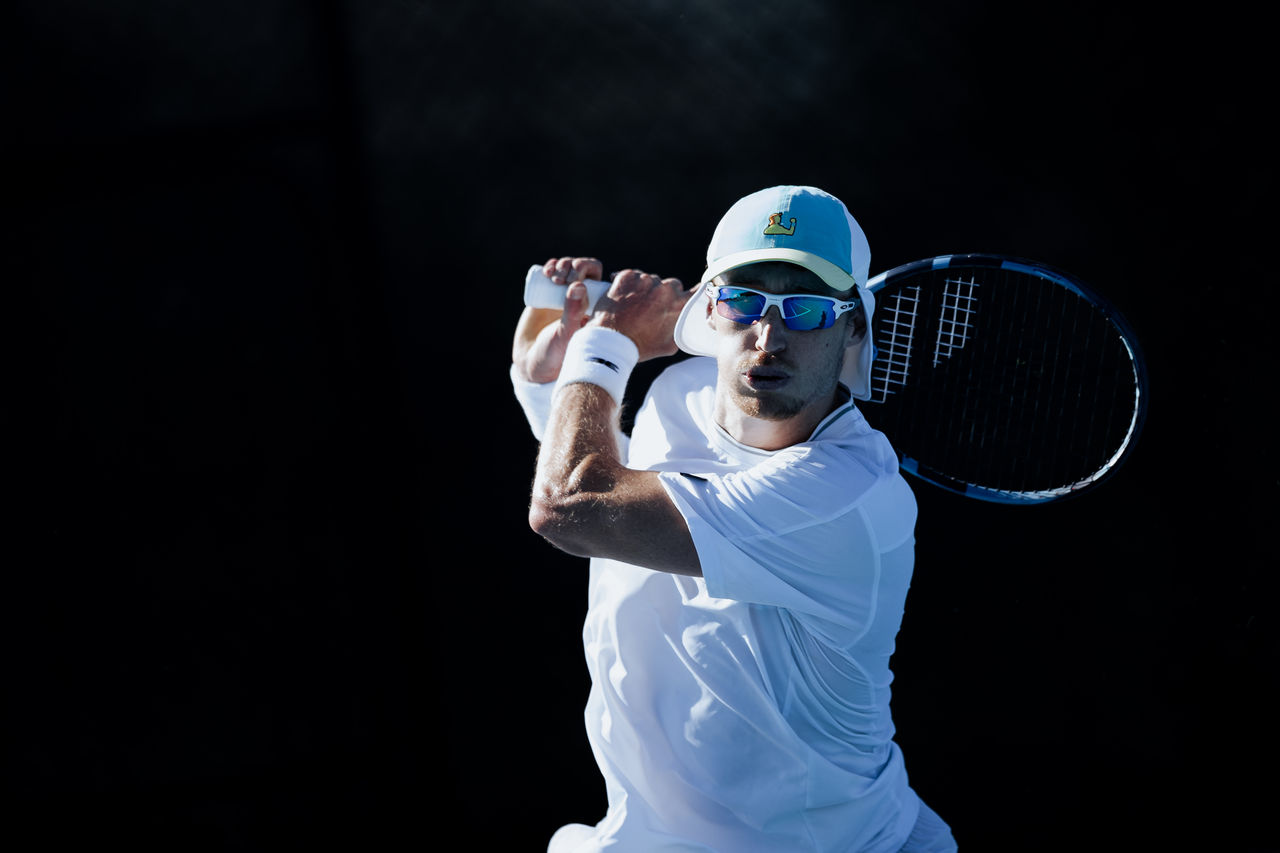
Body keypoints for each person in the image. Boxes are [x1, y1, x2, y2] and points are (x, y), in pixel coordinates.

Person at [510, 185, 957, 852]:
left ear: (854, 329)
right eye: (744, 301)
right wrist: (544, 378)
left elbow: (573, 506)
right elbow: (600, 474)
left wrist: (604, 345)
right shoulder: (676, 393)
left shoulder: (846, 494)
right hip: (642, 839)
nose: (768, 337)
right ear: (709, 311)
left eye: (805, 309)